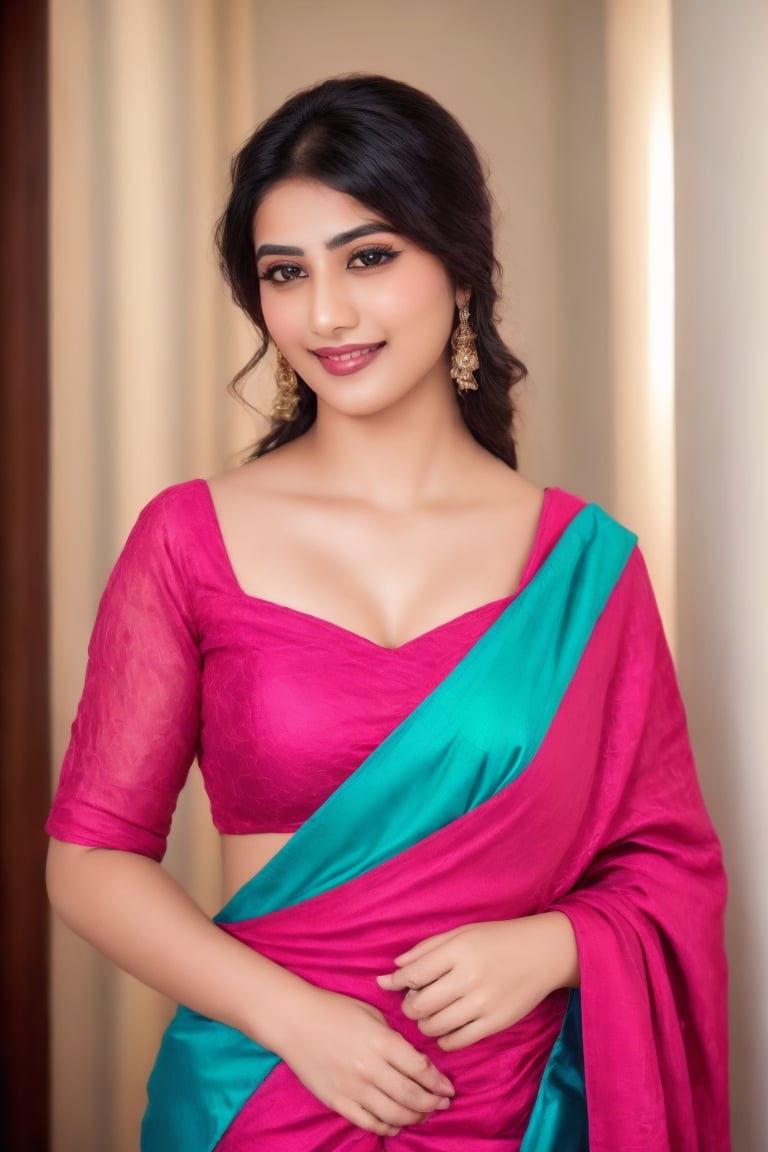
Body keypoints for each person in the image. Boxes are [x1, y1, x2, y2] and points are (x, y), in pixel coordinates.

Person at [46, 75, 729, 1151]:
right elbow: (89, 858)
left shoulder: (585, 572)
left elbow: (667, 862)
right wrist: (295, 1019)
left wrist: (556, 946)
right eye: (286, 273)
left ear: (459, 267)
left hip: (515, 1107)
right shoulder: (189, 538)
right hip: (259, 1092)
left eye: (369, 257)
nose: (327, 313)